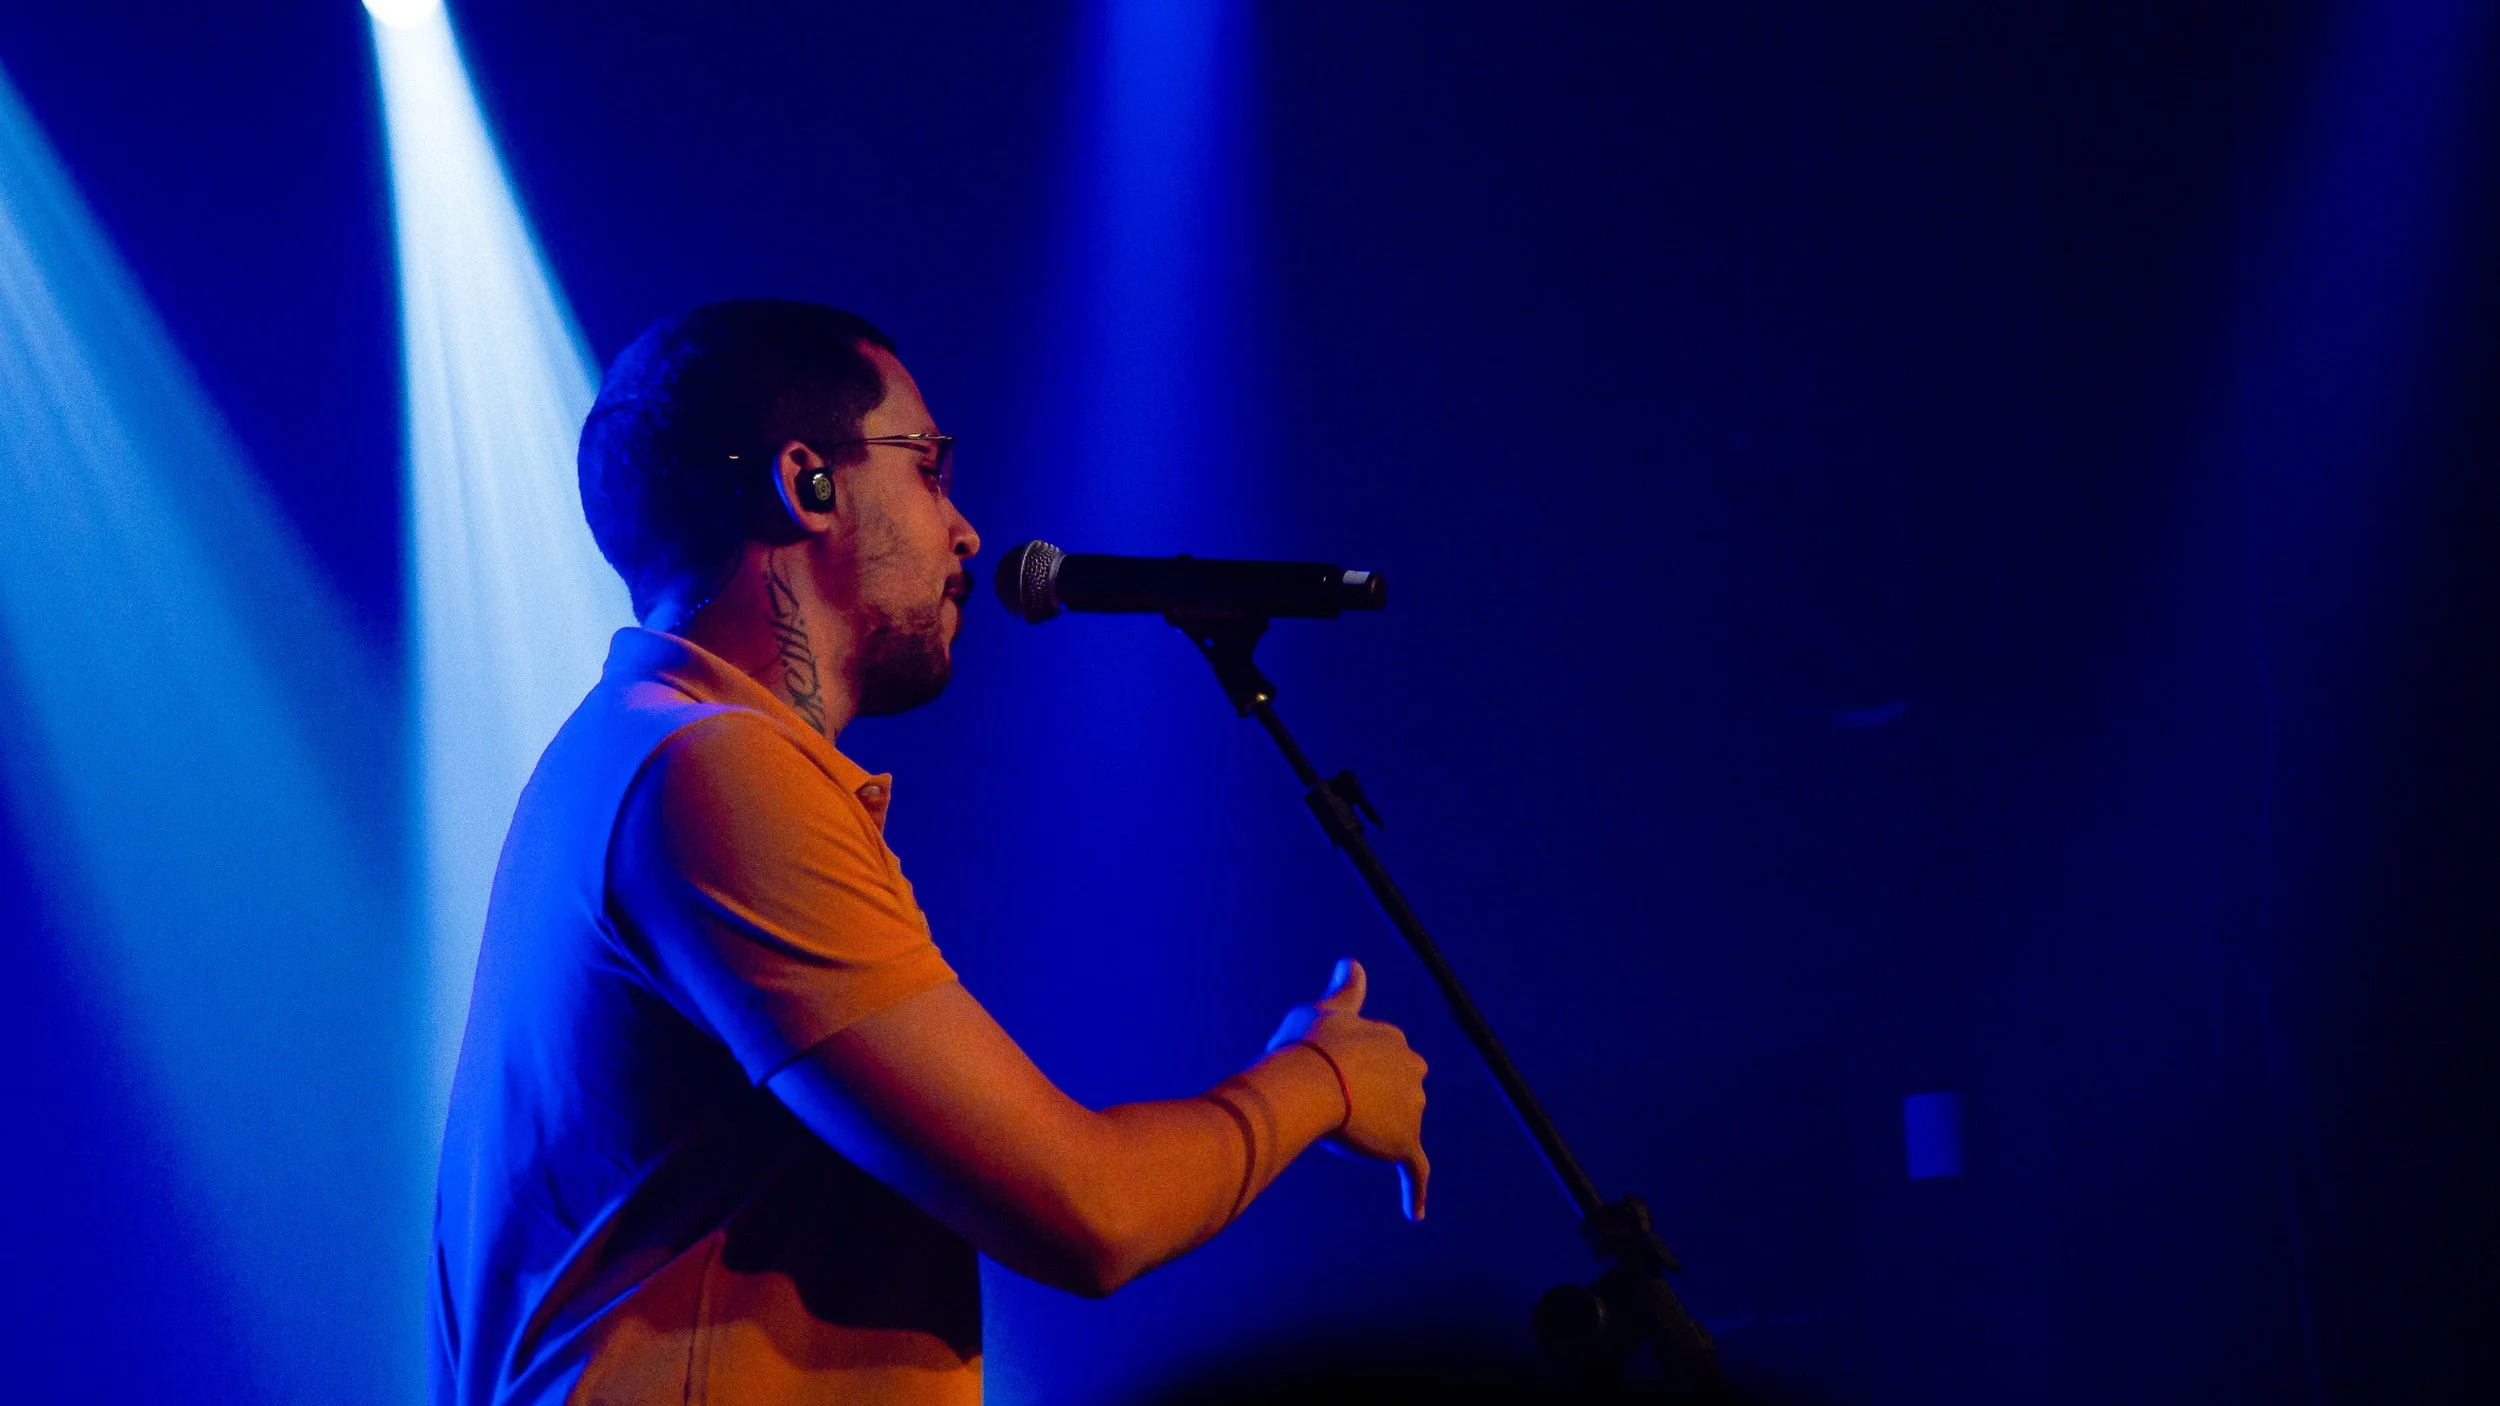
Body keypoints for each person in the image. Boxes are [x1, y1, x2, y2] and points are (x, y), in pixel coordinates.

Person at [430, 299, 1431, 1405]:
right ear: (808, 483)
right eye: (929, 468)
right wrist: (1325, 1078)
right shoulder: (711, 772)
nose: (967, 532)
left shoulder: (627, 756)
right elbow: (1089, 1209)